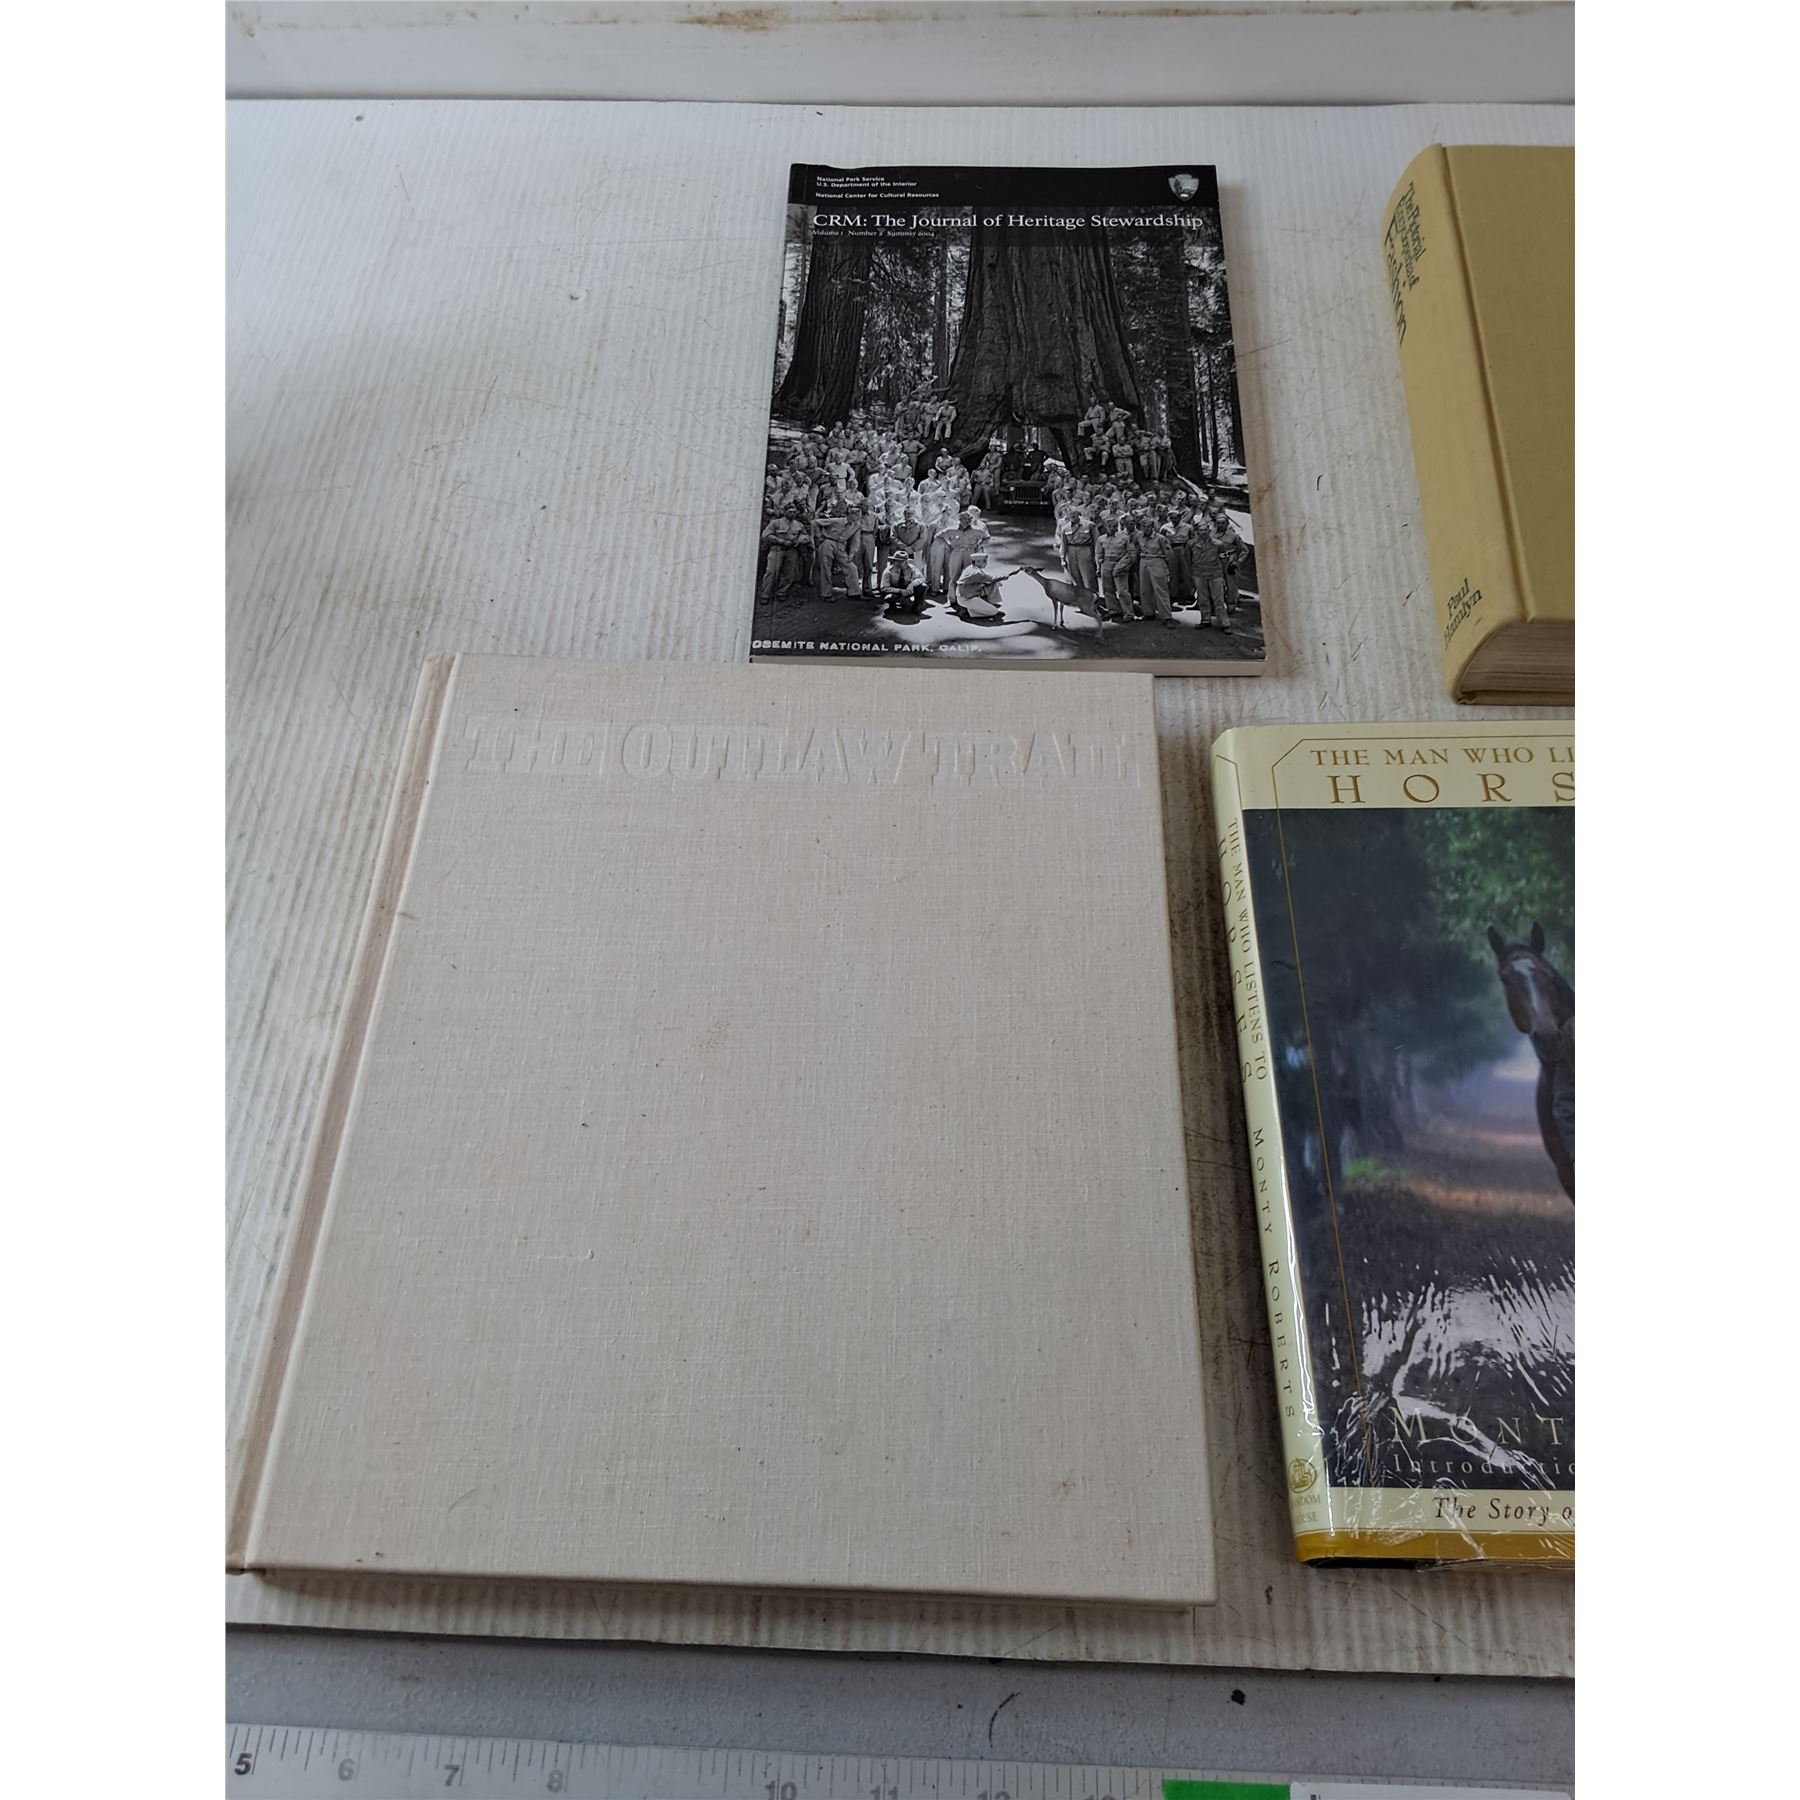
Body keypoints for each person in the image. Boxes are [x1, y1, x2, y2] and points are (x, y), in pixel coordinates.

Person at [758, 513, 804, 600]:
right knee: (771, 572)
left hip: (792, 550)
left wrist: (798, 541)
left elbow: (805, 536)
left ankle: (781, 592)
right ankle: (765, 594)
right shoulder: (775, 523)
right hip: (777, 549)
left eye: (794, 511)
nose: (792, 513)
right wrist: (781, 541)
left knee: (789, 573)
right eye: (790, 511)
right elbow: (765, 535)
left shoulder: (799, 525)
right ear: (785, 512)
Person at [952, 551, 1006, 621]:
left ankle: (980, 606)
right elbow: (992, 578)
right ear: (977, 562)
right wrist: (1008, 574)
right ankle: (969, 612)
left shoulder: (972, 567)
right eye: (984, 561)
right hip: (967, 599)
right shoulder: (976, 573)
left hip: (967, 595)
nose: (986, 563)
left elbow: (987, 580)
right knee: (994, 611)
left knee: (994, 584)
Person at [1059, 508, 1097, 593]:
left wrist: (1096, 556)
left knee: (1088, 577)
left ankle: (1093, 596)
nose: (1072, 515)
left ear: (1078, 513)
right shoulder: (1065, 528)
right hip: (1071, 552)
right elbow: (1063, 544)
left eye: (1074, 513)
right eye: (1070, 514)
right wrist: (1062, 558)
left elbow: (1096, 541)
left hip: (1085, 550)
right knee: (1075, 576)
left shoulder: (1089, 525)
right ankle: (1081, 597)